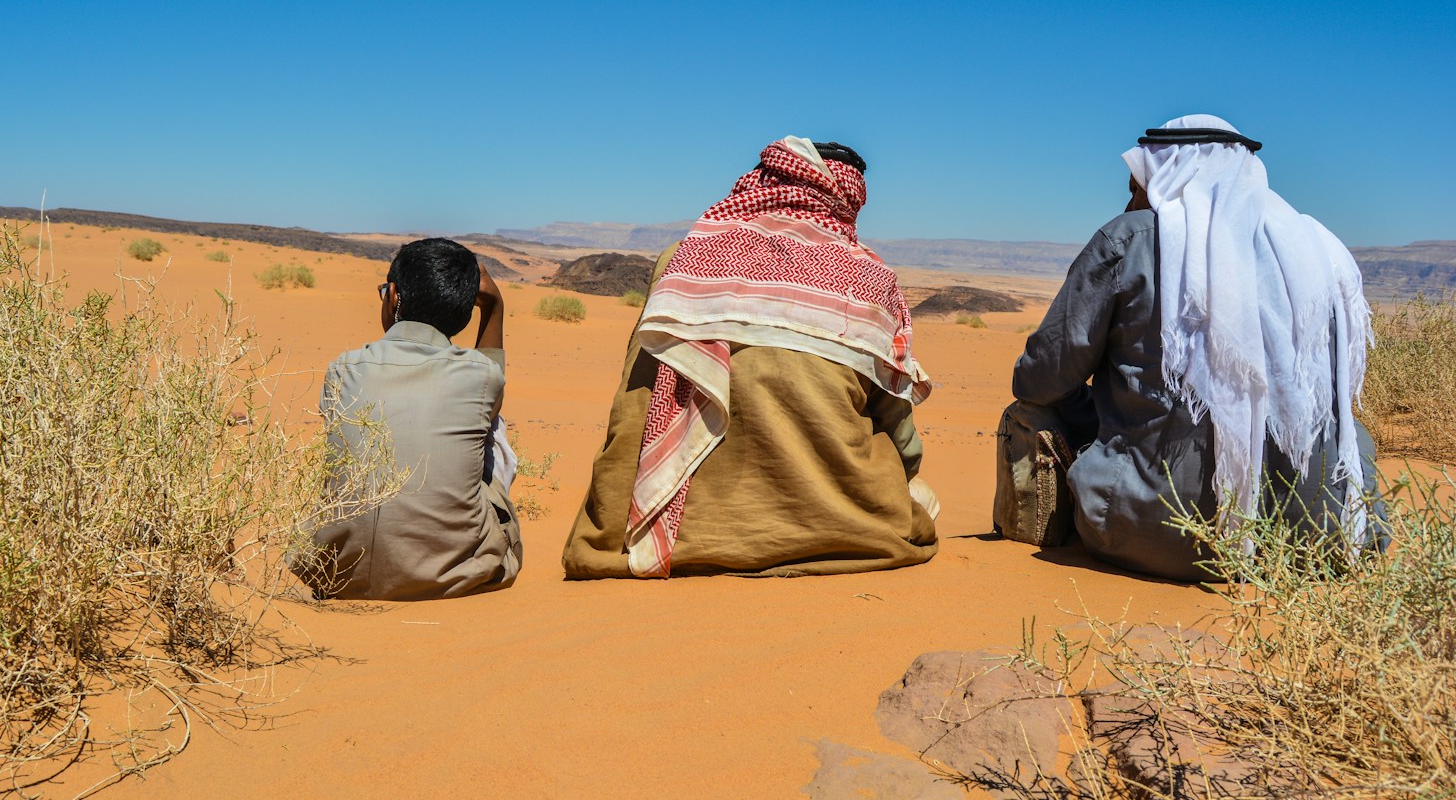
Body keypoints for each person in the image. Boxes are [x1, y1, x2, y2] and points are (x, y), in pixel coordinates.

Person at [1010, 114, 1381, 582]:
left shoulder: (1130, 240)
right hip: (1320, 536)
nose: (1131, 200)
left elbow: (1041, 378)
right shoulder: (1317, 251)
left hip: (1160, 536)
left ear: (1170, 176)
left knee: (1030, 411)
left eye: (1136, 186)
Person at [562, 136, 938, 579]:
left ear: (765, 180)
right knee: (922, 500)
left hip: (687, 522)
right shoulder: (871, 279)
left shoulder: (684, 257)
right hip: (846, 518)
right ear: (849, 198)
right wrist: (902, 476)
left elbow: (636, 394)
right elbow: (898, 429)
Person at [289, 237, 522, 600]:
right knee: (491, 426)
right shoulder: (481, 374)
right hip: (449, 576)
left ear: (393, 296)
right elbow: (491, 395)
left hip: (334, 572)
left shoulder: (344, 368)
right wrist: (495, 307)